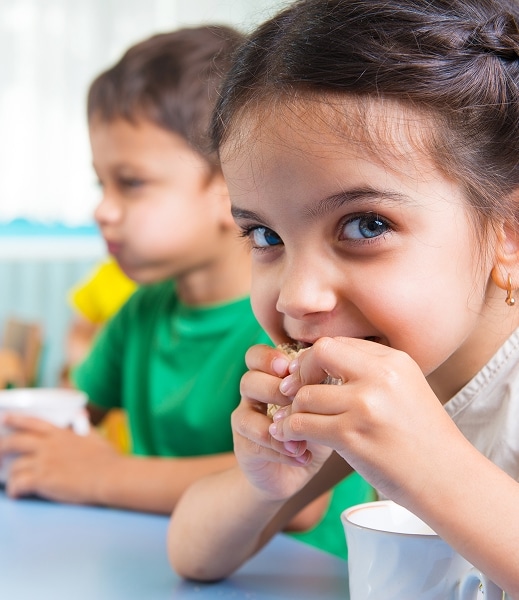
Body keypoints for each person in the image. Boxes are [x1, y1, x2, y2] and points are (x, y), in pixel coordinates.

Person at [167, 0, 519, 595]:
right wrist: (264, 481)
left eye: (366, 226)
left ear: (507, 234)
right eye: (266, 236)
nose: (298, 297)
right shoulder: (367, 385)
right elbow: (193, 554)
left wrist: (431, 463)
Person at [0, 25, 325, 528]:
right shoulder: (143, 309)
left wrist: (104, 476)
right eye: (100, 183)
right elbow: (73, 412)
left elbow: (297, 492)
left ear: (232, 188)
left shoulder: (295, 323)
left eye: (130, 184)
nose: (103, 211)